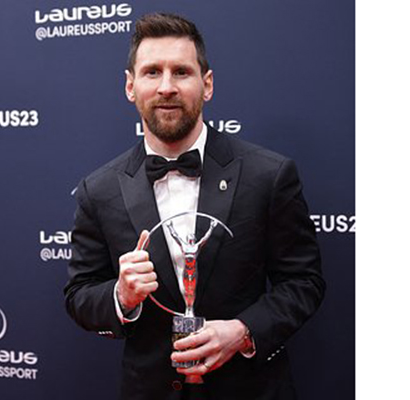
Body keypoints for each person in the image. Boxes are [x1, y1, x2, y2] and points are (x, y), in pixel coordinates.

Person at [64, 12, 325, 400]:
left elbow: (304, 281)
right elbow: (79, 295)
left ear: (207, 85)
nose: (166, 87)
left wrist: (243, 331)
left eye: (182, 72)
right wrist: (121, 296)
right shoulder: (98, 189)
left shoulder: (269, 174)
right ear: (131, 86)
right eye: (152, 72)